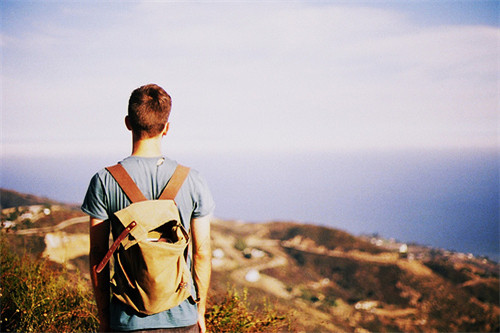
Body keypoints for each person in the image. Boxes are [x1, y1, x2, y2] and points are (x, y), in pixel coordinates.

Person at [82, 84, 215, 333]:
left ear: (128, 123)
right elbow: (202, 253)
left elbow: (98, 254)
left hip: (127, 321)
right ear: (166, 128)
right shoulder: (192, 179)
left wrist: (104, 318)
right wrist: (200, 311)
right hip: (183, 319)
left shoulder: (104, 180)